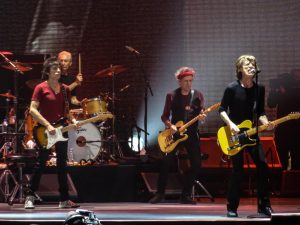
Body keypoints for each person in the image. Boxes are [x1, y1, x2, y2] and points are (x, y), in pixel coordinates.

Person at [219, 55, 274, 217]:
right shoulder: (231, 88)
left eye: (253, 64)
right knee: (238, 170)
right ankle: (232, 207)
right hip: (234, 134)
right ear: (240, 69)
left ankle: (264, 205)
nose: (251, 66)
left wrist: (266, 122)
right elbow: (222, 110)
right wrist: (231, 124)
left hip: (252, 133)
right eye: (247, 64)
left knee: (263, 166)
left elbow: (260, 112)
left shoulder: (259, 89)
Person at [24, 57, 80, 209]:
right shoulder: (40, 88)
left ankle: (64, 199)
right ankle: (29, 195)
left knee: (62, 164)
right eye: (55, 69)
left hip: (61, 128)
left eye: (59, 69)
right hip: (44, 129)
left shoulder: (65, 89)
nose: (58, 71)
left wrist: (73, 122)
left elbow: (67, 111)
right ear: (48, 71)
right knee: (41, 162)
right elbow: (33, 110)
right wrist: (47, 125)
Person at [149, 67, 206, 204]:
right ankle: (160, 194)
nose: (188, 84)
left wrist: (202, 117)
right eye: (186, 81)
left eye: (190, 81)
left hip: (191, 134)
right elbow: (164, 116)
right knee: (166, 162)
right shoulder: (171, 95)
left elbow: (202, 112)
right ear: (179, 81)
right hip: (175, 134)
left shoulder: (198, 95)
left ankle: (185, 195)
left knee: (197, 164)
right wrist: (171, 126)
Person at [267, 69, 300, 170]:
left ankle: (295, 184)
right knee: (281, 160)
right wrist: (274, 90)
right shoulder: (282, 90)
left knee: (297, 161)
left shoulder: (289, 91)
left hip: (298, 131)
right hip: (283, 129)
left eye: (298, 77)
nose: (296, 79)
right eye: (294, 77)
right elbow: (271, 104)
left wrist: (284, 91)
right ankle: (280, 184)